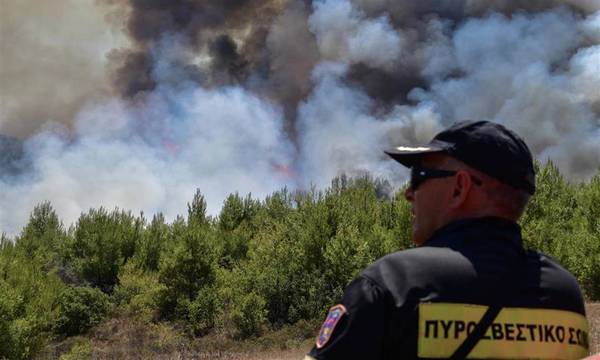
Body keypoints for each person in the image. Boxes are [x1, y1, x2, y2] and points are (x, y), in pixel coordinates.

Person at [305, 120, 590, 359]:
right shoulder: (563, 293)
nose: (409, 193)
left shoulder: (393, 284)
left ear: (460, 188)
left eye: (419, 175)